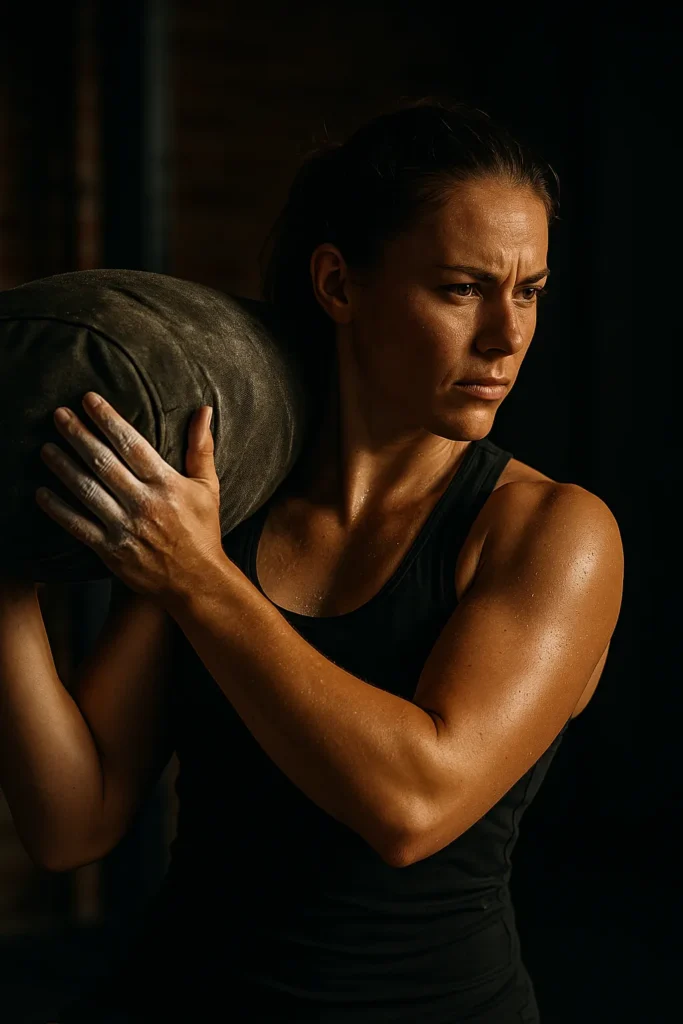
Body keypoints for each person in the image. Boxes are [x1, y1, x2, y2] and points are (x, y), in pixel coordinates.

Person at [0, 98, 624, 1023]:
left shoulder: (551, 534)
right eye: (460, 289)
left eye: (526, 289)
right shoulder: (228, 506)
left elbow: (413, 803)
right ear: (338, 284)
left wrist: (200, 579)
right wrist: (7, 569)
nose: (506, 335)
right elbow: (71, 819)